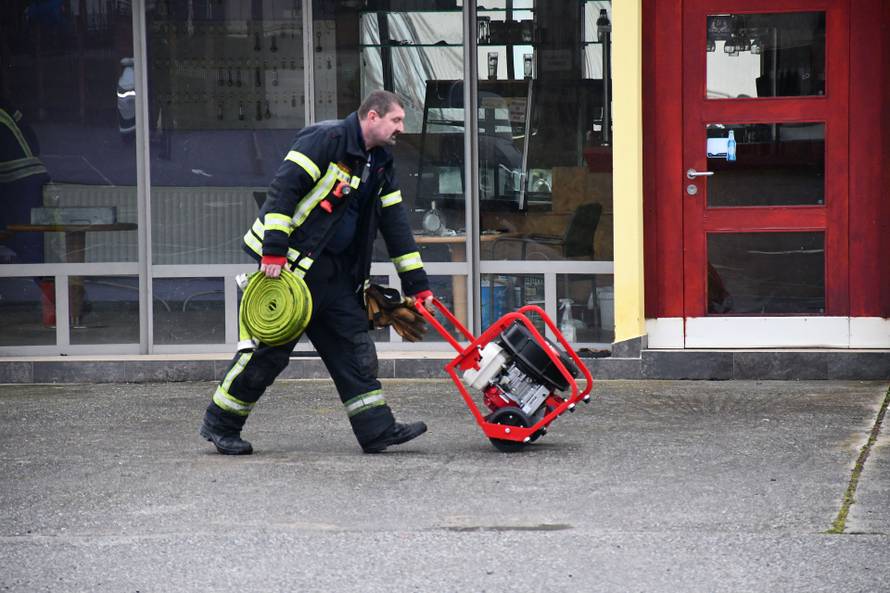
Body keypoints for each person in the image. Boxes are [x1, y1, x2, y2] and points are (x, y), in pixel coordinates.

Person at [200, 90, 433, 455]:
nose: (401, 128)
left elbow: (396, 224)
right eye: (396, 120)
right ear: (373, 116)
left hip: (337, 275)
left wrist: (417, 285)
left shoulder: (382, 161)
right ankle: (221, 424)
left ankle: (376, 430)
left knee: (353, 348)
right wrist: (274, 251)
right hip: (291, 270)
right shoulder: (326, 139)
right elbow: (283, 191)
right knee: (267, 356)